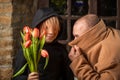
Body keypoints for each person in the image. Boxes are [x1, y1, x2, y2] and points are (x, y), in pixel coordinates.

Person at [13, 7, 74, 80]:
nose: (51, 32)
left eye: (55, 28)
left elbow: (68, 76)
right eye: (46, 28)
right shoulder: (28, 48)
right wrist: (27, 79)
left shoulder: (61, 50)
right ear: (38, 27)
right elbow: (16, 76)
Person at [68, 14, 120, 80]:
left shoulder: (110, 53)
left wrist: (78, 62)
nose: (74, 41)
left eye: (77, 36)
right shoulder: (107, 33)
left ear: (91, 34)